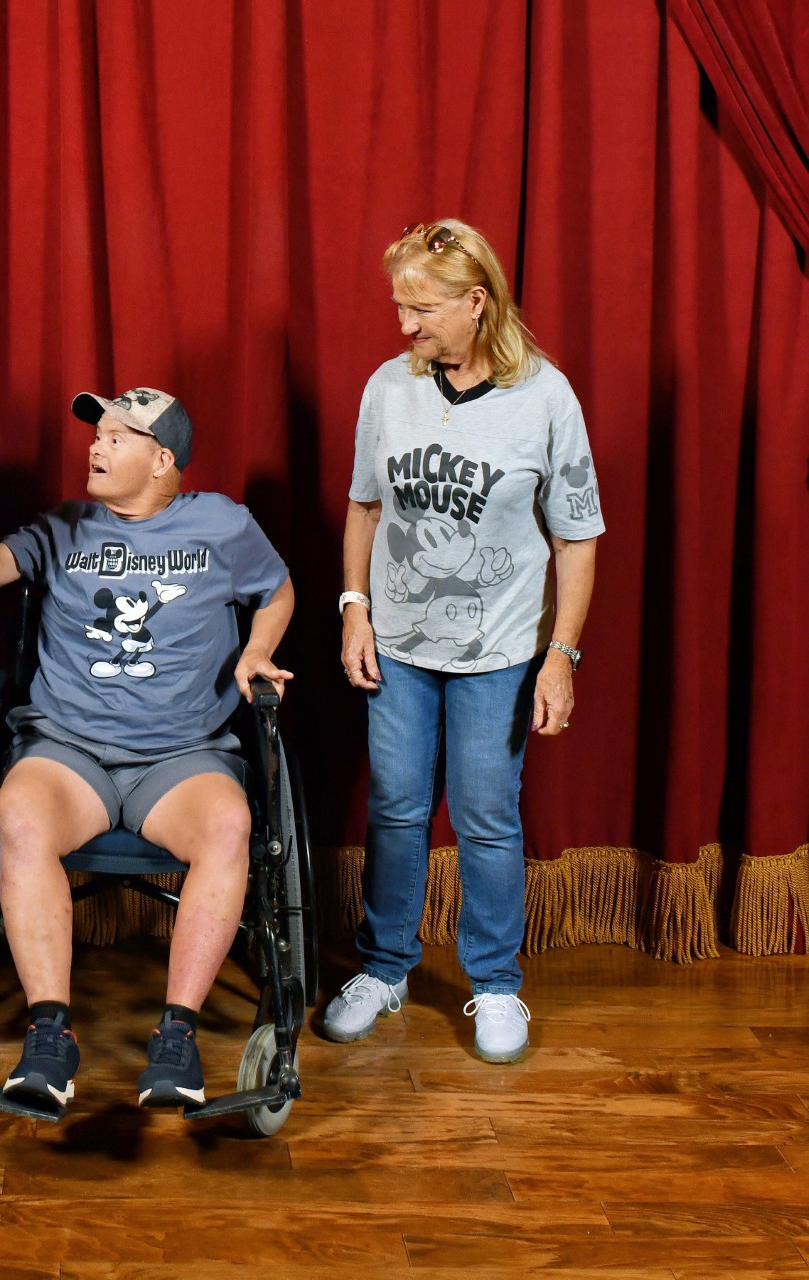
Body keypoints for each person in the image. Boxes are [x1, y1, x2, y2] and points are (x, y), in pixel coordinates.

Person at [0, 387, 295, 1111]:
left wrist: (257, 650)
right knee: (19, 812)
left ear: (162, 460)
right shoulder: (65, 526)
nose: (95, 447)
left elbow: (278, 588)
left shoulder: (221, 524)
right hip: (68, 749)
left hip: (182, 757)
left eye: (116, 437)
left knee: (230, 824)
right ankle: (50, 1035)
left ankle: (177, 1037)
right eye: (97, 435)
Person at [325, 219, 603, 1063]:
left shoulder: (546, 398)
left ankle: (496, 982)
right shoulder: (389, 387)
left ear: (477, 302)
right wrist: (354, 608)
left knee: (485, 817)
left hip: (500, 655)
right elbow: (364, 506)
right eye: (399, 306)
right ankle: (384, 969)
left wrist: (561, 655)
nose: (404, 324)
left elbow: (577, 540)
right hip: (399, 648)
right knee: (396, 808)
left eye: (422, 308)